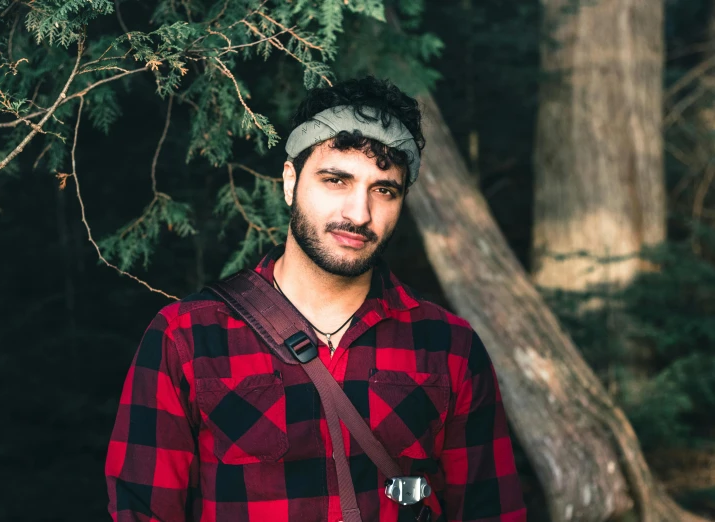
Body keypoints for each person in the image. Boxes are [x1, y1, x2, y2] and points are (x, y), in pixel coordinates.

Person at [105, 76, 526, 522]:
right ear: (290, 181)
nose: (359, 214)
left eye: (383, 190)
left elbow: (491, 511)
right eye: (336, 180)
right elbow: (141, 511)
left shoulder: (449, 347)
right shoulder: (187, 336)